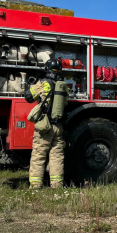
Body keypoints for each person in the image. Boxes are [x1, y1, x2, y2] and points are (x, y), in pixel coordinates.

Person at [25, 58, 69, 189]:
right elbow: (65, 102)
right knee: (57, 157)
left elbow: (28, 96)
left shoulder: (43, 83)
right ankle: (57, 185)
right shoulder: (63, 86)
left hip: (44, 126)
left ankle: (35, 186)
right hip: (58, 126)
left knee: (39, 155)